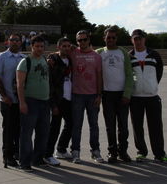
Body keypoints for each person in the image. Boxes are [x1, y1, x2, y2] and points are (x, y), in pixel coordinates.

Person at [129, 29, 167, 163]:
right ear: (132, 40)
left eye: (140, 38)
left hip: (152, 96)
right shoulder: (129, 56)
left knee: (156, 127)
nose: (138, 41)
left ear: (144, 39)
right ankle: (141, 152)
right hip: (135, 97)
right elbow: (128, 75)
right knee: (137, 127)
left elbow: (159, 72)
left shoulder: (154, 54)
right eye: (135, 39)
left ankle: (159, 153)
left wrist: (152, 85)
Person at [96, 26, 134, 163]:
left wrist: (127, 93)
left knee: (123, 126)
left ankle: (123, 151)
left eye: (113, 37)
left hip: (122, 94)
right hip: (107, 95)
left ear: (116, 38)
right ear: (104, 38)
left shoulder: (123, 52)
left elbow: (129, 74)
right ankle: (112, 152)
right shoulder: (99, 53)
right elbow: (83, 52)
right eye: (108, 37)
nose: (111, 40)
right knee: (110, 126)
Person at [16, 36, 51, 172]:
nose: (40, 49)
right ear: (32, 47)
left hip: (45, 101)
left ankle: (38, 159)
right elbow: (20, 85)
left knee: (43, 133)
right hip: (31, 101)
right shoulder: (25, 62)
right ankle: (24, 162)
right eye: (37, 46)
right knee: (27, 133)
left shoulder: (44, 60)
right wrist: (22, 102)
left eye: (42, 46)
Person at [70, 29, 104, 164]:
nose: (82, 42)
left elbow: (99, 77)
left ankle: (95, 151)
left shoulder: (96, 56)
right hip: (77, 95)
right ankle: (75, 151)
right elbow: (60, 52)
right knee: (76, 125)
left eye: (84, 39)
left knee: (93, 125)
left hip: (92, 96)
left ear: (89, 40)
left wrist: (99, 95)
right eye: (79, 40)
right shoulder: (73, 53)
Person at [0, 33, 25, 168]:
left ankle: (17, 152)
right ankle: (7, 155)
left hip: (20, 100)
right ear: (8, 42)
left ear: (21, 42)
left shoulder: (24, 58)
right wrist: (4, 95)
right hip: (8, 101)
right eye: (12, 40)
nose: (15, 42)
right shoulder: (1, 57)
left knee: (19, 128)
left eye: (17, 40)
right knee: (9, 129)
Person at [44, 37, 73, 165]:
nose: (66, 48)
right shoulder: (53, 60)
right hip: (58, 98)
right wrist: (53, 104)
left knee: (71, 124)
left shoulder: (70, 59)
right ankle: (47, 154)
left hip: (69, 98)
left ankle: (61, 149)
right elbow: (50, 83)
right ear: (58, 47)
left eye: (68, 46)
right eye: (63, 46)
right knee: (54, 127)